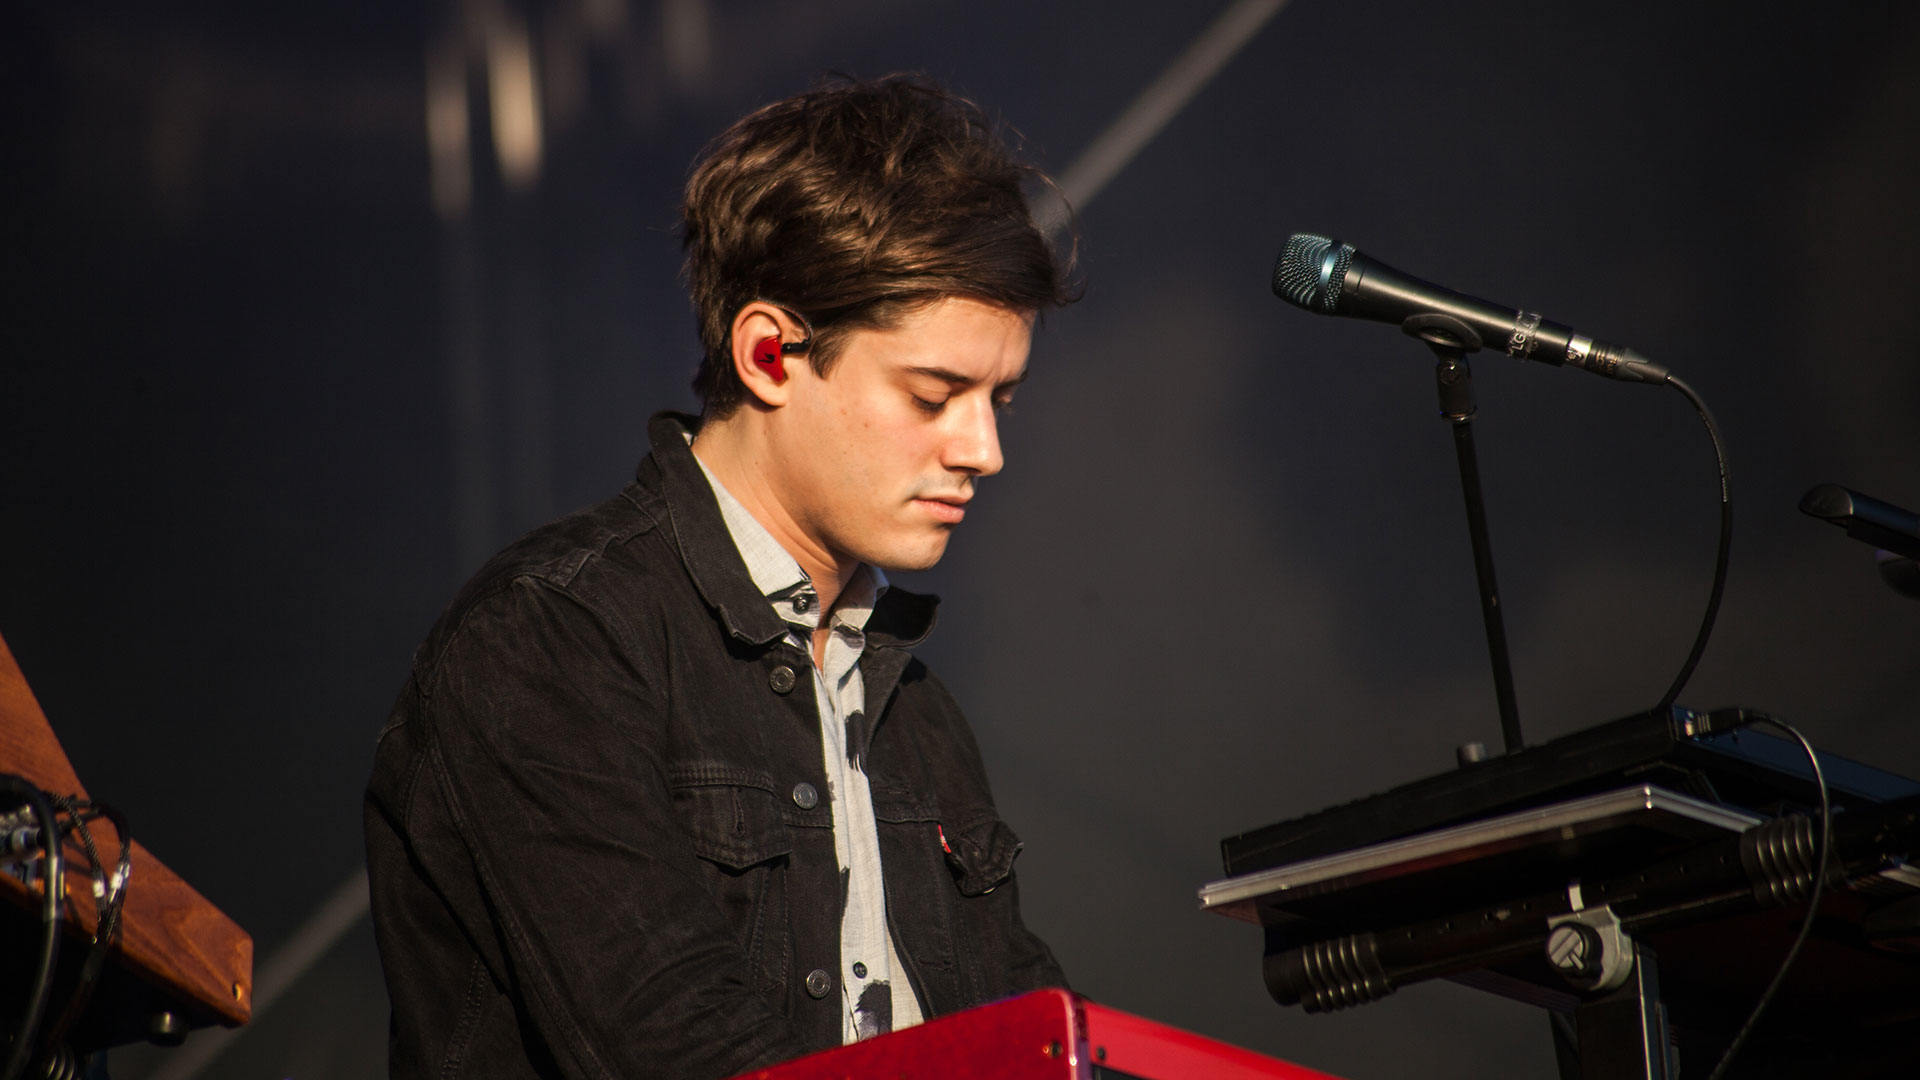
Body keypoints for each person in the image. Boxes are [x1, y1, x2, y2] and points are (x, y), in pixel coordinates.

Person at [364, 75, 1074, 1080]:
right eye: (936, 393)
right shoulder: (548, 640)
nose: (984, 448)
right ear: (770, 354)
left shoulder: (913, 711)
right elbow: (675, 1043)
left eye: (1000, 397)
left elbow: (1037, 1038)